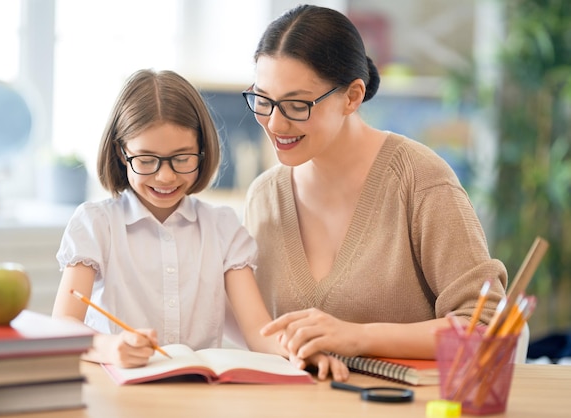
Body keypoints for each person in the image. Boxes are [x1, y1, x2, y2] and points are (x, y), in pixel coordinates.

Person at [240, 5, 508, 362]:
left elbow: (485, 326)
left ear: (352, 96)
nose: (274, 123)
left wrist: (358, 337)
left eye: (296, 105)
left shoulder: (420, 179)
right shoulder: (264, 197)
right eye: (263, 99)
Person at [51, 69, 346, 380]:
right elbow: (63, 324)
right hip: (116, 389)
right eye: (147, 160)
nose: (165, 177)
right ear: (122, 154)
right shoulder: (96, 224)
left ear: (203, 153)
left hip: (200, 394)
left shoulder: (222, 227)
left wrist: (299, 351)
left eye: (182, 158)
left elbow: (258, 331)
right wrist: (109, 347)